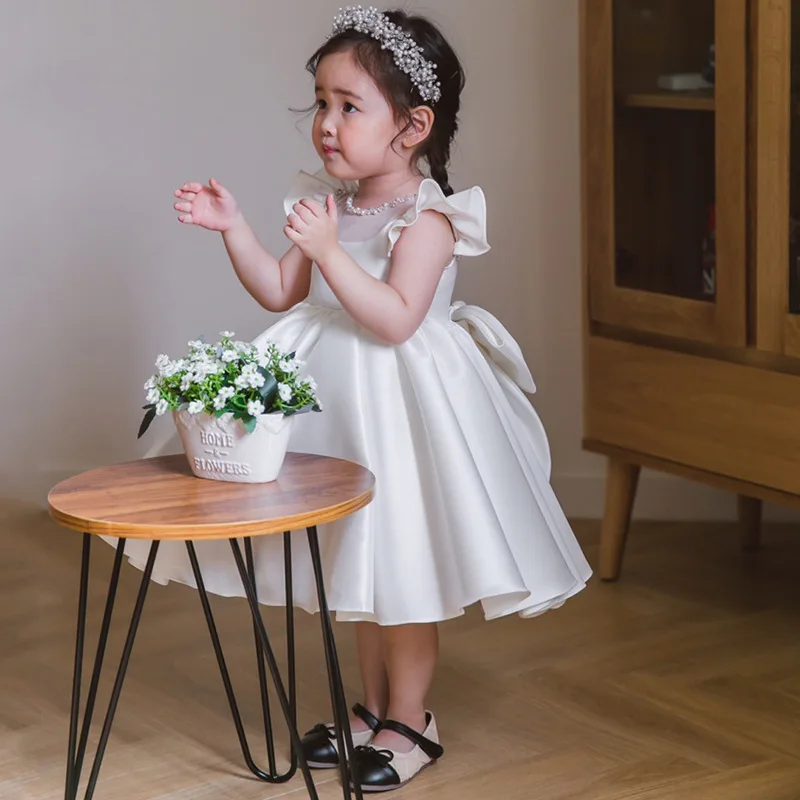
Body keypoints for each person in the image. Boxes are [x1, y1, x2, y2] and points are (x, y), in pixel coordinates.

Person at [150, 5, 591, 793]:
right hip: (336, 405)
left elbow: (394, 319)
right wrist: (235, 228)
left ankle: (411, 720)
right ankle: (370, 709)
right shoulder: (333, 202)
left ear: (413, 126)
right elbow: (281, 290)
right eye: (321, 102)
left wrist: (329, 252)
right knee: (354, 565)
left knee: (400, 565)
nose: (326, 123)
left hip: (400, 409)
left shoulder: (430, 218)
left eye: (349, 106)